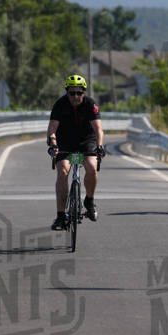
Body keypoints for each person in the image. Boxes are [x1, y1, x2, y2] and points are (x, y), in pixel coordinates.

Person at [47, 75, 105, 230]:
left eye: (79, 93)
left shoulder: (90, 104)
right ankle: (60, 217)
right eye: (71, 93)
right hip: (65, 142)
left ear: (84, 92)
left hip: (86, 141)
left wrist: (99, 146)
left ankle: (89, 201)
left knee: (92, 167)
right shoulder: (60, 104)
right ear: (67, 93)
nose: (75, 96)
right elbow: (52, 129)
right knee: (63, 172)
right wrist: (53, 144)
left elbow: (98, 129)